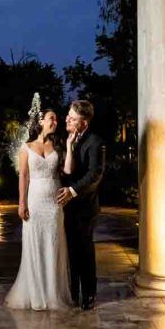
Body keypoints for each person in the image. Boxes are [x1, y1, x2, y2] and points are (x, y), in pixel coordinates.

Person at [5, 109, 73, 310]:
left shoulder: (59, 145)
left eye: (56, 119)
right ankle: (35, 294)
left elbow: (68, 171)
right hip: (34, 201)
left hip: (54, 202)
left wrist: (69, 146)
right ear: (41, 121)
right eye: (52, 118)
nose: (55, 121)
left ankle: (53, 294)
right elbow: (23, 176)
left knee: (53, 244)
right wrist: (22, 203)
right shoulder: (26, 147)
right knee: (34, 244)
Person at [57, 100, 105, 310]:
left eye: (72, 118)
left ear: (83, 123)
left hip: (85, 207)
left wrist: (72, 191)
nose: (67, 119)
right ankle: (73, 292)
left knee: (84, 250)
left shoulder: (95, 142)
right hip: (67, 207)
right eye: (68, 115)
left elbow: (95, 174)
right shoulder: (66, 139)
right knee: (70, 250)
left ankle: (89, 294)